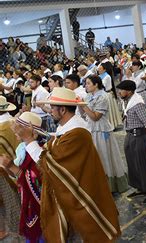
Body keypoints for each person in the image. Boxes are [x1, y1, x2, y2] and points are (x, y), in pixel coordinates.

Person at [17, 87, 121, 242]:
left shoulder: (77, 134)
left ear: (63, 110)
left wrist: (29, 141)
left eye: (52, 107)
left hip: (80, 198)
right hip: (73, 194)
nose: (50, 111)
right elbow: (53, 149)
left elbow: (51, 164)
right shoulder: (68, 129)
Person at [79, 75, 128, 193]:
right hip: (92, 129)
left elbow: (95, 117)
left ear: (96, 85)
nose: (86, 86)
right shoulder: (90, 96)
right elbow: (85, 115)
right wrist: (80, 106)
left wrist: (83, 106)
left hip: (101, 131)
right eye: (86, 83)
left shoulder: (103, 97)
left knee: (104, 156)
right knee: (98, 157)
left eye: (88, 83)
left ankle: (109, 186)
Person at [0, 112, 44, 242]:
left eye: (19, 129)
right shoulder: (22, 148)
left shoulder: (38, 152)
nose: (15, 133)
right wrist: (9, 166)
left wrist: (11, 166)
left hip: (38, 207)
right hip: (28, 202)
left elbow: (32, 181)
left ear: (31, 133)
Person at [116, 80, 146, 204]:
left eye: (121, 90)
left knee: (143, 163)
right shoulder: (127, 102)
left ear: (129, 91)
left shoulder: (137, 104)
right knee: (132, 164)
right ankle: (140, 187)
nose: (119, 92)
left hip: (139, 136)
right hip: (130, 135)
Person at [0, 96, 21, 240]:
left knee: (10, 206)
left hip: (5, 172)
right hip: (21, 169)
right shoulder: (16, 122)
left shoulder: (1, 130)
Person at [97, 63, 122, 129]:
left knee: (110, 111)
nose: (99, 70)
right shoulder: (99, 76)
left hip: (107, 94)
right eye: (98, 69)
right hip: (103, 94)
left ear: (104, 70)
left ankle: (112, 125)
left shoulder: (107, 76)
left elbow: (103, 85)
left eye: (100, 69)